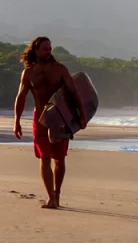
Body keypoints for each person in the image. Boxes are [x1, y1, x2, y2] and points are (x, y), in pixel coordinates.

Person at [13, 37, 87, 209]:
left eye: (50, 49)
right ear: (36, 50)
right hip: (40, 118)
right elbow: (21, 97)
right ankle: (50, 197)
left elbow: (74, 92)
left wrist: (82, 115)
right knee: (44, 158)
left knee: (59, 159)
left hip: (60, 118)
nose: (48, 52)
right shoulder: (29, 73)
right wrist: (16, 121)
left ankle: (57, 194)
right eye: (45, 49)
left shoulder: (60, 69)